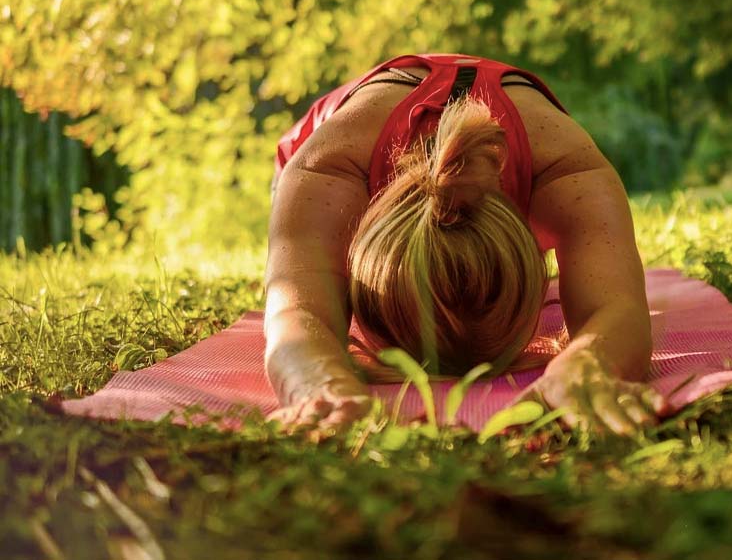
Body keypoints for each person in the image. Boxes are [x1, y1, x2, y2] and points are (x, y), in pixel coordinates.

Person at [264, 53, 659, 436]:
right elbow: (295, 315)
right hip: (326, 151)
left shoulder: (566, 168)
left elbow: (618, 309)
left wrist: (590, 364)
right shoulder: (328, 166)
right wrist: (317, 382)